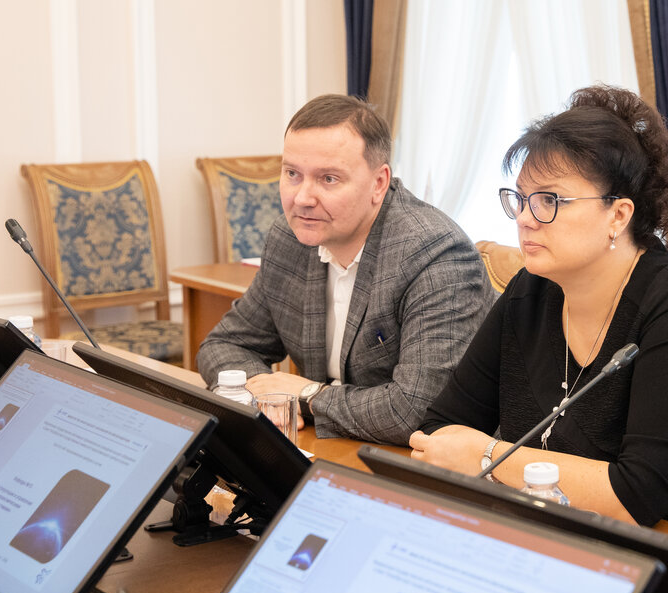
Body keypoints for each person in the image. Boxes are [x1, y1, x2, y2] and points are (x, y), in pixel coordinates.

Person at [409, 85, 668, 554]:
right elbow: (439, 430)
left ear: (618, 215)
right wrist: (469, 454)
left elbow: (634, 498)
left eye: (550, 200)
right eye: (520, 199)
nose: (524, 218)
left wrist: (486, 456)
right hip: (568, 548)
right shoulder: (532, 291)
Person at [197, 94, 493, 444]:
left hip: (420, 462)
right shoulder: (289, 239)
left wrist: (306, 395)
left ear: (379, 183)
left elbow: (415, 409)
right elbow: (224, 345)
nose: (303, 198)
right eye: (292, 174)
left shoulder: (434, 254)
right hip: (331, 446)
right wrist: (266, 398)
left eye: (328, 179)